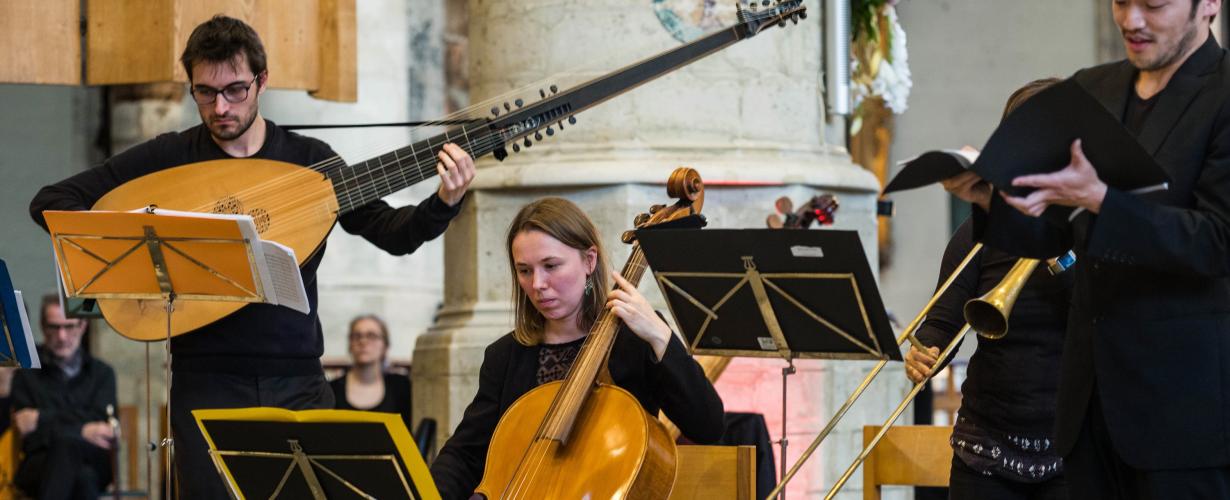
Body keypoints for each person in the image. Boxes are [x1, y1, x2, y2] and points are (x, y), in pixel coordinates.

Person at [27, 15, 476, 498]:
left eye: (236, 90)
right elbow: (52, 202)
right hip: (206, 384)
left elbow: (393, 234)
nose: (220, 107)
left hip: (297, 380)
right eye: (205, 92)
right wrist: (143, 230)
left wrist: (443, 202)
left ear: (262, 81)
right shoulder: (168, 158)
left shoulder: (310, 161)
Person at [944, 1, 1230, 497]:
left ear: (1208, 4)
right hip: (1084, 409)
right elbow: (1060, 235)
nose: (1131, 20)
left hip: (1182, 413)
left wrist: (1100, 200)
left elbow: (1217, 241)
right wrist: (994, 200)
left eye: (1154, 4)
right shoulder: (1093, 90)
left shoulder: (1223, 95)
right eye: (1120, 1)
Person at [429, 197, 725, 499]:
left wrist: (661, 337)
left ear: (589, 260)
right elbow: (465, 455)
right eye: (525, 270)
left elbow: (708, 425)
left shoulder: (634, 339)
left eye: (551, 265)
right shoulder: (506, 355)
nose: (537, 284)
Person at [905, 79, 1071, 500]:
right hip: (986, 452)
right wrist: (925, 352)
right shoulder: (978, 232)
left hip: (1076, 451)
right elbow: (941, 324)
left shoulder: (1097, 230)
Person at [11, 295, 117, 500]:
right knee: (83, 478)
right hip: (41, 461)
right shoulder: (26, 373)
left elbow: (105, 430)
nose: (61, 336)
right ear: (42, 327)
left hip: (92, 458)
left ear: (83, 325)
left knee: (71, 452)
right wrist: (83, 429)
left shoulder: (102, 373)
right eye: (54, 327)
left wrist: (42, 419)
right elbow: (29, 435)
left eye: (69, 327)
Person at [330, 314, 413, 430]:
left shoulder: (401, 386)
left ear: (385, 345)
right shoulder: (332, 389)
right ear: (350, 345)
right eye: (357, 336)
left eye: (371, 336)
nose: (363, 341)